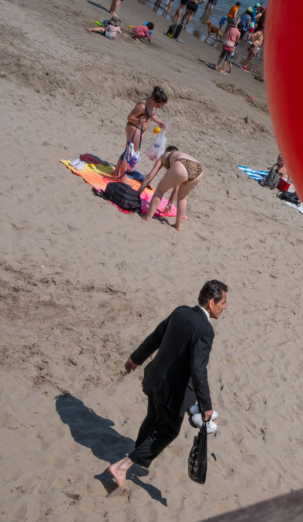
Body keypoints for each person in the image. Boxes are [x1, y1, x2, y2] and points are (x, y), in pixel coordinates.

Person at [106, 280, 228, 493]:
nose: (224, 307)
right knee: (168, 431)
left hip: (155, 378)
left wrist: (136, 358)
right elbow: (199, 370)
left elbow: (156, 336)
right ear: (211, 302)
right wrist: (206, 405)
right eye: (223, 303)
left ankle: (136, 454)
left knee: (152, 418)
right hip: (172, 390)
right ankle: (122, 466)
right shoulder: (205, 330)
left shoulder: (181, 312)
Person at [138, 147, 204, 231]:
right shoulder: (179, 155)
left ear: (167, 151)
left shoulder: (164, 156)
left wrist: (138, 193)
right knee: (182, 197)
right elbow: (176, 187)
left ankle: (147, 218)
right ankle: (178, 226)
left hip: (182, 164)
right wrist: (169, 203)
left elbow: (150, 176)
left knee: (160, 190)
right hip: (198, 169)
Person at [111, 86, 168, 179]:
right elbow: (130, 117)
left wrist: (159, 122)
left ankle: (117, 172)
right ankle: (121, 175)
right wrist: (138, 121)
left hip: (142, 130)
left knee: (130, 151)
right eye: (159, 105)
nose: (159, 107)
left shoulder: (152, 104)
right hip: (134, 128)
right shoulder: (142, 106)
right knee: (130, 152)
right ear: (153, 99)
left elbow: (152, 115)